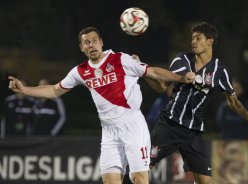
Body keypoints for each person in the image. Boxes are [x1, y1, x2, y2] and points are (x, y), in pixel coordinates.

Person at [8, 27, 195, 184]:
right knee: (110, 181)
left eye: (94, 40)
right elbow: (55, 90)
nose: (91, 45)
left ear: (101, 42)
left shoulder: (120, 59)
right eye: (86, 42)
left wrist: (181, 78)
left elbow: (152, 72)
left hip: (133, 126)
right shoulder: (80, 71)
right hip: (109, 132)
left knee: (139, 178)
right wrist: (25, 90)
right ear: (82, 47)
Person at [148, 22, 248, 184]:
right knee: (143, 167)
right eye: (192, 38)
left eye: (198, 38)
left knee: (205, 181)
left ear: (210, 41)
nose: (193, 41)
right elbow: (161, 87)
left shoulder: (220, 71)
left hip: (193, 133)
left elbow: (234, 102)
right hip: (169, 125)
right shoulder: (181, 59)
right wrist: (146, 75)